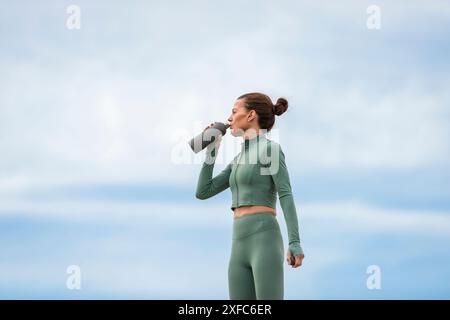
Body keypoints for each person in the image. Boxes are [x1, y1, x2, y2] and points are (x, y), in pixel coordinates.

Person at [195, 92, 305, 300]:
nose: (229, 118)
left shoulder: (269, 149)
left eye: (234, 111)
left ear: (251, 115)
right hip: (238, 244)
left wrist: (295, 241)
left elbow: (285, 194)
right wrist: (212, 150)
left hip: (264, 239)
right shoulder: (237, 160)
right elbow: (203, 191)